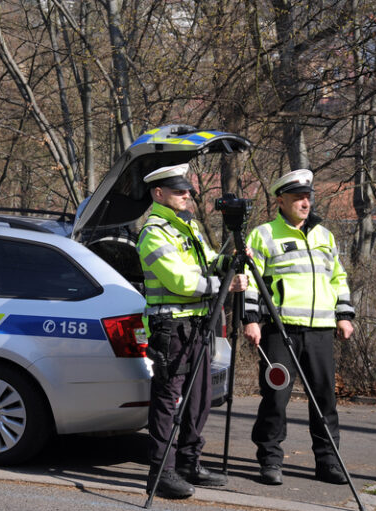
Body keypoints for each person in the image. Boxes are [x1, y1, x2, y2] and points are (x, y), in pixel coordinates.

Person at [137, 163, 248, 499]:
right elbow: (180, 281)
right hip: (170, 326)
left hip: (198, 324)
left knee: (199, 398)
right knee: (168, 400)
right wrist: (224, 286)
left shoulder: (188, 227)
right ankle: (161, 473)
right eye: (179, 190)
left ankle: (189, 462)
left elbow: (209, 261)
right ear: (159, 193)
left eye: (188, 190)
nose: (187, 195)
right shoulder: (154, 232)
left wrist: (230, 262)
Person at [242, 168, 355, 486]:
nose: (305, 203)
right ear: (281, 200)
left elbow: (338, 278)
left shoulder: (325, 236)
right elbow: (250, 281)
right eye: (298, 198)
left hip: (320, 330)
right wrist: (251, 320)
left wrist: (344, 315)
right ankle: (270, 460)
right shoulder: (263, 235)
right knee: (275, 398)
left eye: (308, 197)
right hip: (281, 331)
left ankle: (328, 461)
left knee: (325, 400)